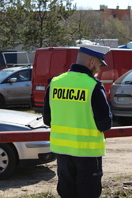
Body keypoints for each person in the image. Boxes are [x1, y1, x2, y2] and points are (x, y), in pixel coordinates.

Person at [43, 44, 113, 198]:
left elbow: (47, 120)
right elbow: (105, 124)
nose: (99, 70)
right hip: (87, 154)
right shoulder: (93, 86)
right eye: (99, 65)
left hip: (62, 154)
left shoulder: (55, 83)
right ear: (92, 62)